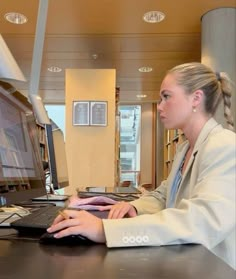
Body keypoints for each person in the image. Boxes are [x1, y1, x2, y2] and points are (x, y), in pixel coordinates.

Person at [47, 62, 236, 269]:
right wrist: (133, 207)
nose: (160, 105)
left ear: (196, 98)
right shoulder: (184, 149)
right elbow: (163, 196)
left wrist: (105, 230)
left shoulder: (225, 146)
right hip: (185, 260)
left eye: (166, 96)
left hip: (212, 268)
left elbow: (202, 221)